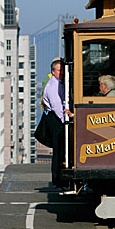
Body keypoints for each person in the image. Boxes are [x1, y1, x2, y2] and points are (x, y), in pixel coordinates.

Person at [43, 59, 73, 187]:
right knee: (58, 150)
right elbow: (56, 106)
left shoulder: (59, 82)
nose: (61, 73)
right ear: (53, 72)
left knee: (61, 149)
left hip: (58, 118)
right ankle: (57, 179)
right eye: (58, 71)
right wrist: (66, 121)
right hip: (55, 119)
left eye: (62, 70)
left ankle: (59, 178)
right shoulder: (52, 86)